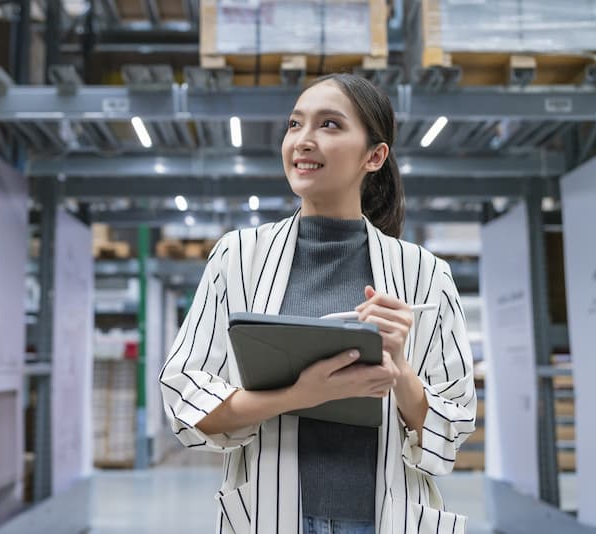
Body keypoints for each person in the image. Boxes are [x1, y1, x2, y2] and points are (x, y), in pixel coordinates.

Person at [159, 73, 476, 534]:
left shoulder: (425, 275)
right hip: (271, 514)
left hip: (386, 518)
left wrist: (400, 369)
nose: (303, 141)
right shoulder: (238, 257)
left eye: (329, 125)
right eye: (295, 124)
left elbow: (453, 426)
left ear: (375, 156)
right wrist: (303, 395)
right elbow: (185, 399)